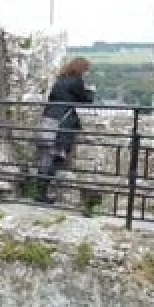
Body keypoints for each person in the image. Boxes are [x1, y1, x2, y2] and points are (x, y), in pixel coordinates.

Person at [33, 57, 94, 202]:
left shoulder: (60, 79)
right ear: (81, 69)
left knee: (46, 158)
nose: (86, 73)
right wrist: (90, 92)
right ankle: (41, 194)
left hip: (48, 119)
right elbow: (85, 100)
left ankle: (39, 193)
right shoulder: (76, 81)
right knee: (55, 158)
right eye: (86, 70)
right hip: (61, 124)